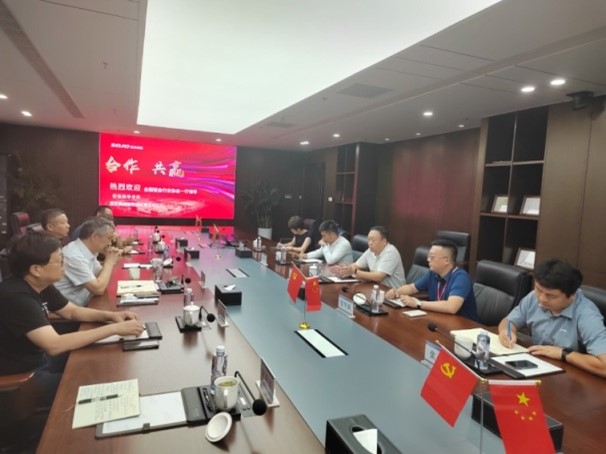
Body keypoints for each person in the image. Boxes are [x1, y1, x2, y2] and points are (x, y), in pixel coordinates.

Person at [0, 232, 144, 406]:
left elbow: (71, 311)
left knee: (103, 360)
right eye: (59, 261)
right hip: (23, 377)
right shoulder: (16, 296)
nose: (64, 265)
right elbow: (55, 345)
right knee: (103, 381)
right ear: (36, 269)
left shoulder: (39, 283)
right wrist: (114, 329)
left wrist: (111, 316)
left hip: (41, 358)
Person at [497, 259, 606, 378]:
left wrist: (564, 354)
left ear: (572, 295)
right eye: (539, 290)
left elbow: (604, 366)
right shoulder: (534, 297)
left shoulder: (587, 315)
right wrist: (507, 331)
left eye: (551, 296)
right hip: (537, 367)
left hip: (571, 377)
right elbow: (509, 321)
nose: (542, 299)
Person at [386, 239, 478, 321]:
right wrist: (397, 292)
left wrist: (418, 303)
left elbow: (452, 307)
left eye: (432, 257)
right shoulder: (433, 273)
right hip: (440, 319)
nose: (428, 259)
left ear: (446, 261)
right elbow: (412, 288)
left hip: (464, 326)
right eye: (428, 256)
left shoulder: (461, 277)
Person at [54, 217, 121, 307]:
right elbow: (98, 289)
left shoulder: (88, 250)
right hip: (71, 311)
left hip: (87, 303)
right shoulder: (73, 256)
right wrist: (109, 262)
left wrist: (111, 260)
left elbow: (100, 275)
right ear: (95, 237)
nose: (110, 243)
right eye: (109, 238)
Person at [332, 226, 405, 288]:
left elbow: (378, 277)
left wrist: (354, 271)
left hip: (394, 293)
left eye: (373, 240)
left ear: (384, 241)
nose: (370, 243)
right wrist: (344, 269)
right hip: (376, 288)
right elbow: (356, 265)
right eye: (369, 239)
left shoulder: (391, 252)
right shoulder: (370, 251)